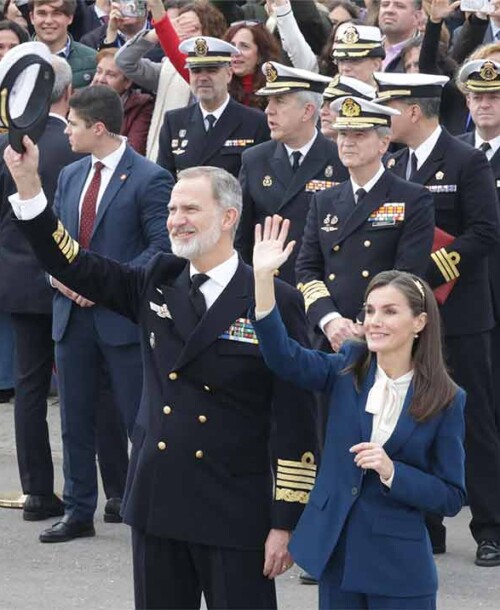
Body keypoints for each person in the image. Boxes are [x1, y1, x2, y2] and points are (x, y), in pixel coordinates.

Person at [4, 157, 318, 608]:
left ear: (229, 217)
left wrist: (286, 522)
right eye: (172, 210)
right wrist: (30, 187)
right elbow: (75, 264)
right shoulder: (157, 279)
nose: (176, 221)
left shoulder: (272, 298)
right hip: (159, 498)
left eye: (190, 209)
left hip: (233, 505)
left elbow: (296, 418)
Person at [250, 214, 466, 610]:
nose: (375, 322)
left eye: (389, 311)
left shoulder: (447, 398)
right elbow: (285, 358)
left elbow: (451, 496)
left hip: (399, 568)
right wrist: (264, 282)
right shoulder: (348, 365)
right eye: (369, 311)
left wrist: (392, 471)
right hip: (337, 555)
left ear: (419, 322)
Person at [14, 85, 172, 543]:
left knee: (138, 421)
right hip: (71, 317)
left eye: (74, 125)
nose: (66, 133)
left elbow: (160, 249)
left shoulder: (149, 177)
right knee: (74, 420)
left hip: (120, 319)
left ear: (98, 128)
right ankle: (79, 509)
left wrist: (107, 286)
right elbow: (55, 241)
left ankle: (148, 507)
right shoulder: (70, 174)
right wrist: (59, 280)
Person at [377, 71, 500, 565]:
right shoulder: (397, 162)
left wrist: (426, 272)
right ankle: (428, 523)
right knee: (416, 412)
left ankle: (490, 525)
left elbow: (486, 232)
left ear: (413, 111)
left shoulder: (466, 159)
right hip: (412, 316)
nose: (381, 118)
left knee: (474, 418)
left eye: (389, 107)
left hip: (461, 309)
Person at [236, 61, 348, 285]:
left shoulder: (340, 160)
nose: (268, 110)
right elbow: (241, 237)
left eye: (280, 101)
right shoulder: (254, 159)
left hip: (318, 289)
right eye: (269, 101)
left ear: (307, 111)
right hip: (267, 287)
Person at [458, 59, 500, 499]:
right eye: (478, 96)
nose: (485, 104)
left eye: (494, 96)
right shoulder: (456, 152)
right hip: (466, 293)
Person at [156, 36, 270, 179]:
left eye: (211, 70)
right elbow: (164, 178)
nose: (203, 78)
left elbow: (260, 180)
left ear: (229, 74)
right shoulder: (174, 121)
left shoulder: (255, 122)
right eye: (196, 71)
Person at [92, 47, 154, 155]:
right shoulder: (80, 102)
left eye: (110, 75)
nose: (101, 79)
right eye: (99, 71)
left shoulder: (142, 106)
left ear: (127, 82)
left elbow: (133, 150)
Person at [28, 0, 97, 88]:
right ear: (32, 18)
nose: (48, 21)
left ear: (70, 18)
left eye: (56, 13)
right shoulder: (18, 58)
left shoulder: (92, 60)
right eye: (42, 13)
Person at [332, 23, 385, 87]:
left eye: (354, 60)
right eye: (341, 60)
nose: (345, 68)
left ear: (376, 65)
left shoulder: (389, 95)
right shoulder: (331, 95)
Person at [379, 0, 423, 72]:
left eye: (399, 6)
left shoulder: (427, 51)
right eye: (385, 5)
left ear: (417, 17)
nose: (389, 10)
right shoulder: (368, 46)